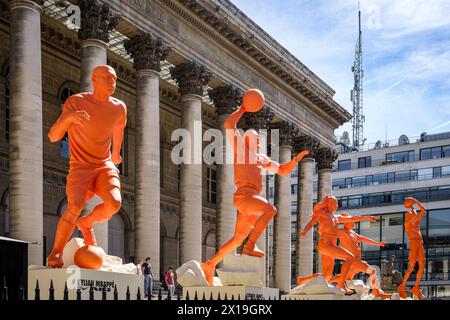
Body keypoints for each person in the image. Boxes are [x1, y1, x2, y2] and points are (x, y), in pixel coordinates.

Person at [201, 89, 310, 286]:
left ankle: (210, 263)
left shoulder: (262, 159)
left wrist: (295, 159)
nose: (259, 141)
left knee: (236, 239)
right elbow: (228, 124)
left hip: (251, 201)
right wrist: (242, 108)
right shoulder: (240, 148)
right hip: (244, 197)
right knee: (270, 209)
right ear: (247, 140)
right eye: (255, 138)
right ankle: (250, 245)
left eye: (259, 140)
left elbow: (283, 170)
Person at [47, 65, 127, 268]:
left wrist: (116, 152)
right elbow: (54, 135)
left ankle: (87, 222)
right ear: (94, 80)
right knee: (74, 207)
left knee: (114, 204)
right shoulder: (76, 102)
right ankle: (56, 252)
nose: (112, 83)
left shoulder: (119, 107)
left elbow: (118, 128)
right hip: (80, 166)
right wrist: (68, 118)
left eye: (114, 79)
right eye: (107, 78)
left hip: (104, 165)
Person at [299, 196, 377, 294]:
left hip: (330, 247)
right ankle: (341, 284)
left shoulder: (336, 218)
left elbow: (352, 218)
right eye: (334, 203)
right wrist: (304, 231)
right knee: (350, 257)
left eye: (337, 204)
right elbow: (311, 223)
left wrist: (367, 217)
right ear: (327, 204)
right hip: (325, 245)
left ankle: (302, 280)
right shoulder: (322, 213)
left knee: (327, 276)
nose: (337, 205)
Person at [328, 213, 390, 299]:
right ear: (347, 222)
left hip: (354, 261)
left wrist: (377, 243)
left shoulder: (352, 233)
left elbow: (363, 238)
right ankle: (376, 292)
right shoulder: (341, 232)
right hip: (353, 260)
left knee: (345, 277)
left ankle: (327, 280)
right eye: (352, 222)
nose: (354, 224)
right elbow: (329, 231)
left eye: (354, 223)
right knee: (373, 271)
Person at [398, 197, 426, 299]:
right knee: (411, 266)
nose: (409, 213)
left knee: (422, 265)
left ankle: (416, 287)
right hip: (413, 244)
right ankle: (402, 286)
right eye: (408, 214)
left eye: (409, 213)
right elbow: (415, 214)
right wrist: (412, 204)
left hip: (420, 243)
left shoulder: (416, 223)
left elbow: (423, 209)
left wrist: (414, 201)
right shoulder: (407, 224)